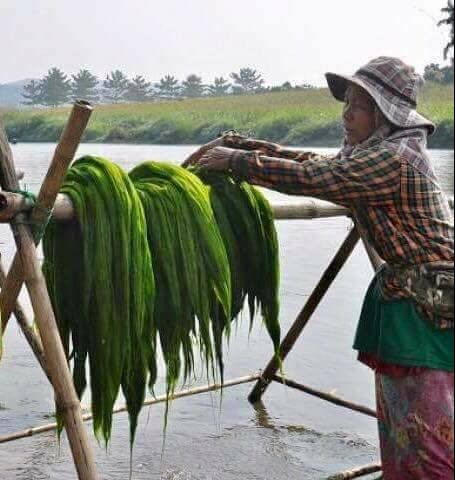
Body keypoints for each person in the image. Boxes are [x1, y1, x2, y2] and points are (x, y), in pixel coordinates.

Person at [187, 57, 455, 479]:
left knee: (428, 443)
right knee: (402, 435)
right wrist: (246, 146)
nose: (346, 115)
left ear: (385, 114)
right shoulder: (378, 151)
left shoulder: (393, 160)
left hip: (428, 312)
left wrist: (237, 162)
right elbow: (320, 163)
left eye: (359, 106)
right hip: (411, 304)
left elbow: (317, 178)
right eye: (345, 103)